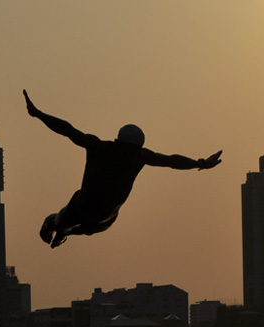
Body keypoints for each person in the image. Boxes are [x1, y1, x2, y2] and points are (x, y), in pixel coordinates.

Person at [23, 90, 222, 248]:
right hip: (93, 210)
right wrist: (39, 114)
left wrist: (201, 163)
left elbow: (172, 160)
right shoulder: (115, 151)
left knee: (75, 227)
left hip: (103, 215)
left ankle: (64, 232)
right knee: (60, 222)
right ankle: (51, 228)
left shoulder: (120, 152)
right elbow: (67, 129)